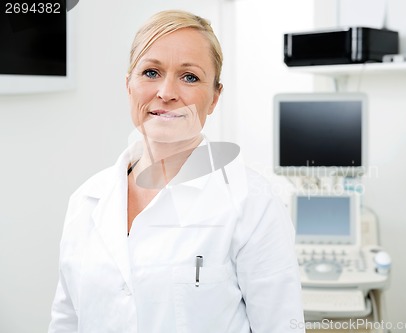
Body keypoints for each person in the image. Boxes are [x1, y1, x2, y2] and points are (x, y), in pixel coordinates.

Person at [48, 9, 305, 333]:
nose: (167, 92)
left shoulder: (252, 203)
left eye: (190, 77)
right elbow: (65, 322)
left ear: (214, 97)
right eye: (151, 72)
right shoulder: (86, 201)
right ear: (129, 84)